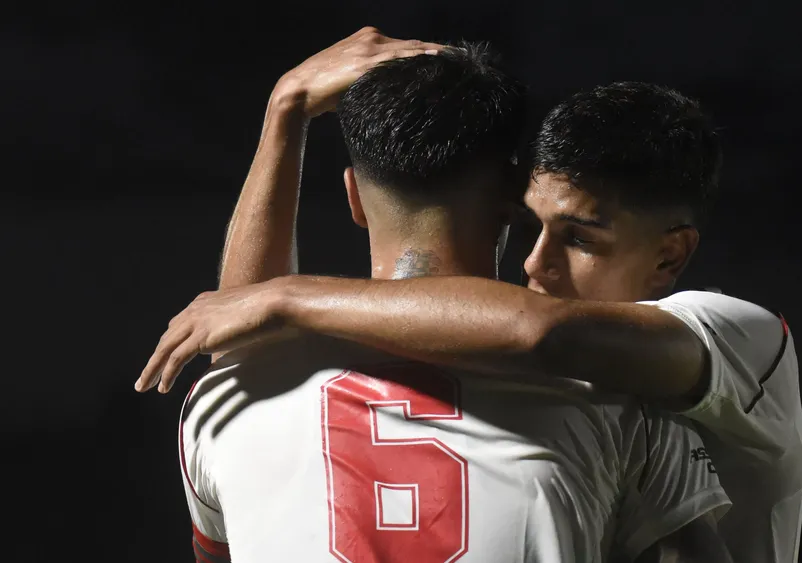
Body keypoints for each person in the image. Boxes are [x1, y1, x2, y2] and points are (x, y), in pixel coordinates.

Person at [145, 30, 732, 562]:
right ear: (514, 193)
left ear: (353, 196)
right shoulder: (617, 394)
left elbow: (242, 346)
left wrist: (287, 109)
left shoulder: (220, 407)